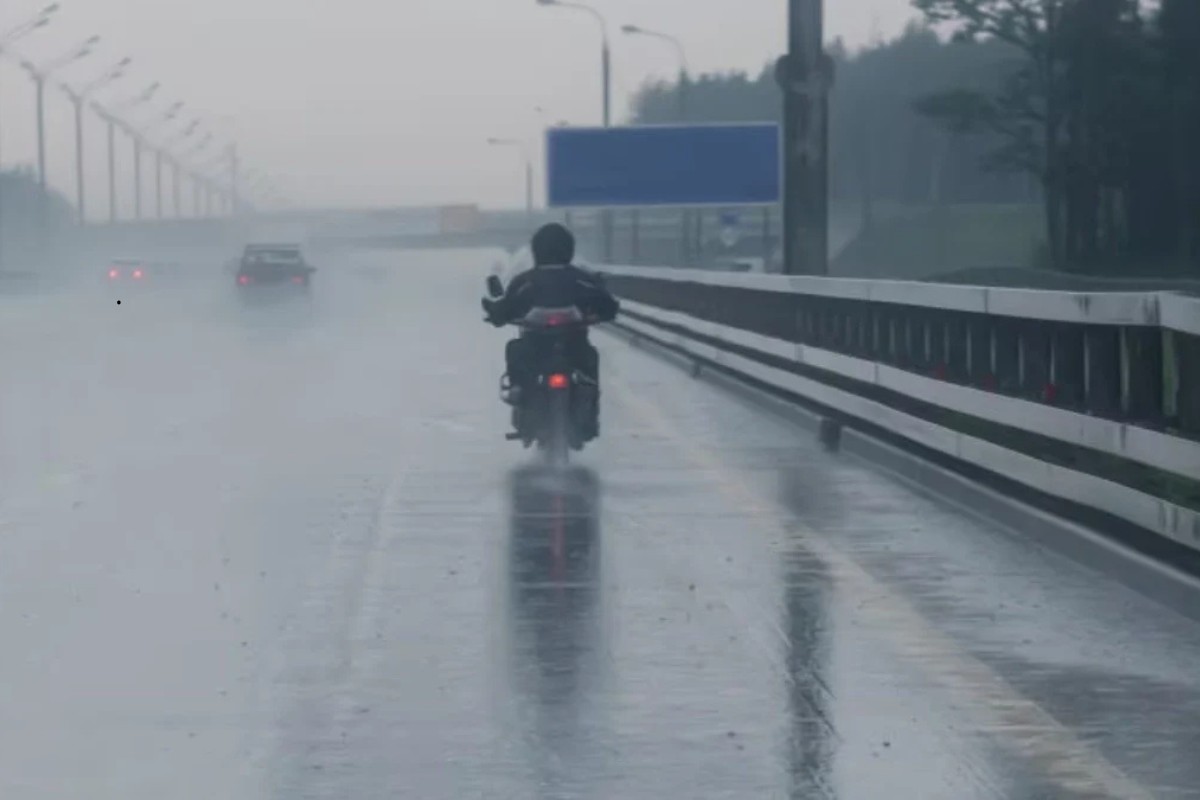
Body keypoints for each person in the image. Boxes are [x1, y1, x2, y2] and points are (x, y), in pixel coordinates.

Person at [482, 223, 619, 439]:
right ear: (569, 249)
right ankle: (590, 415)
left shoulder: (524, 281)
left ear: (537, 250)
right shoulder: (581, 278)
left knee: (515, 350)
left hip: (535, 345)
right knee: (590, 360)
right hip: (575, 343)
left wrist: (495, 313)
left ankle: (520, 392)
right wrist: (604, 312)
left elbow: (506, 307)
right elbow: (607, 304)